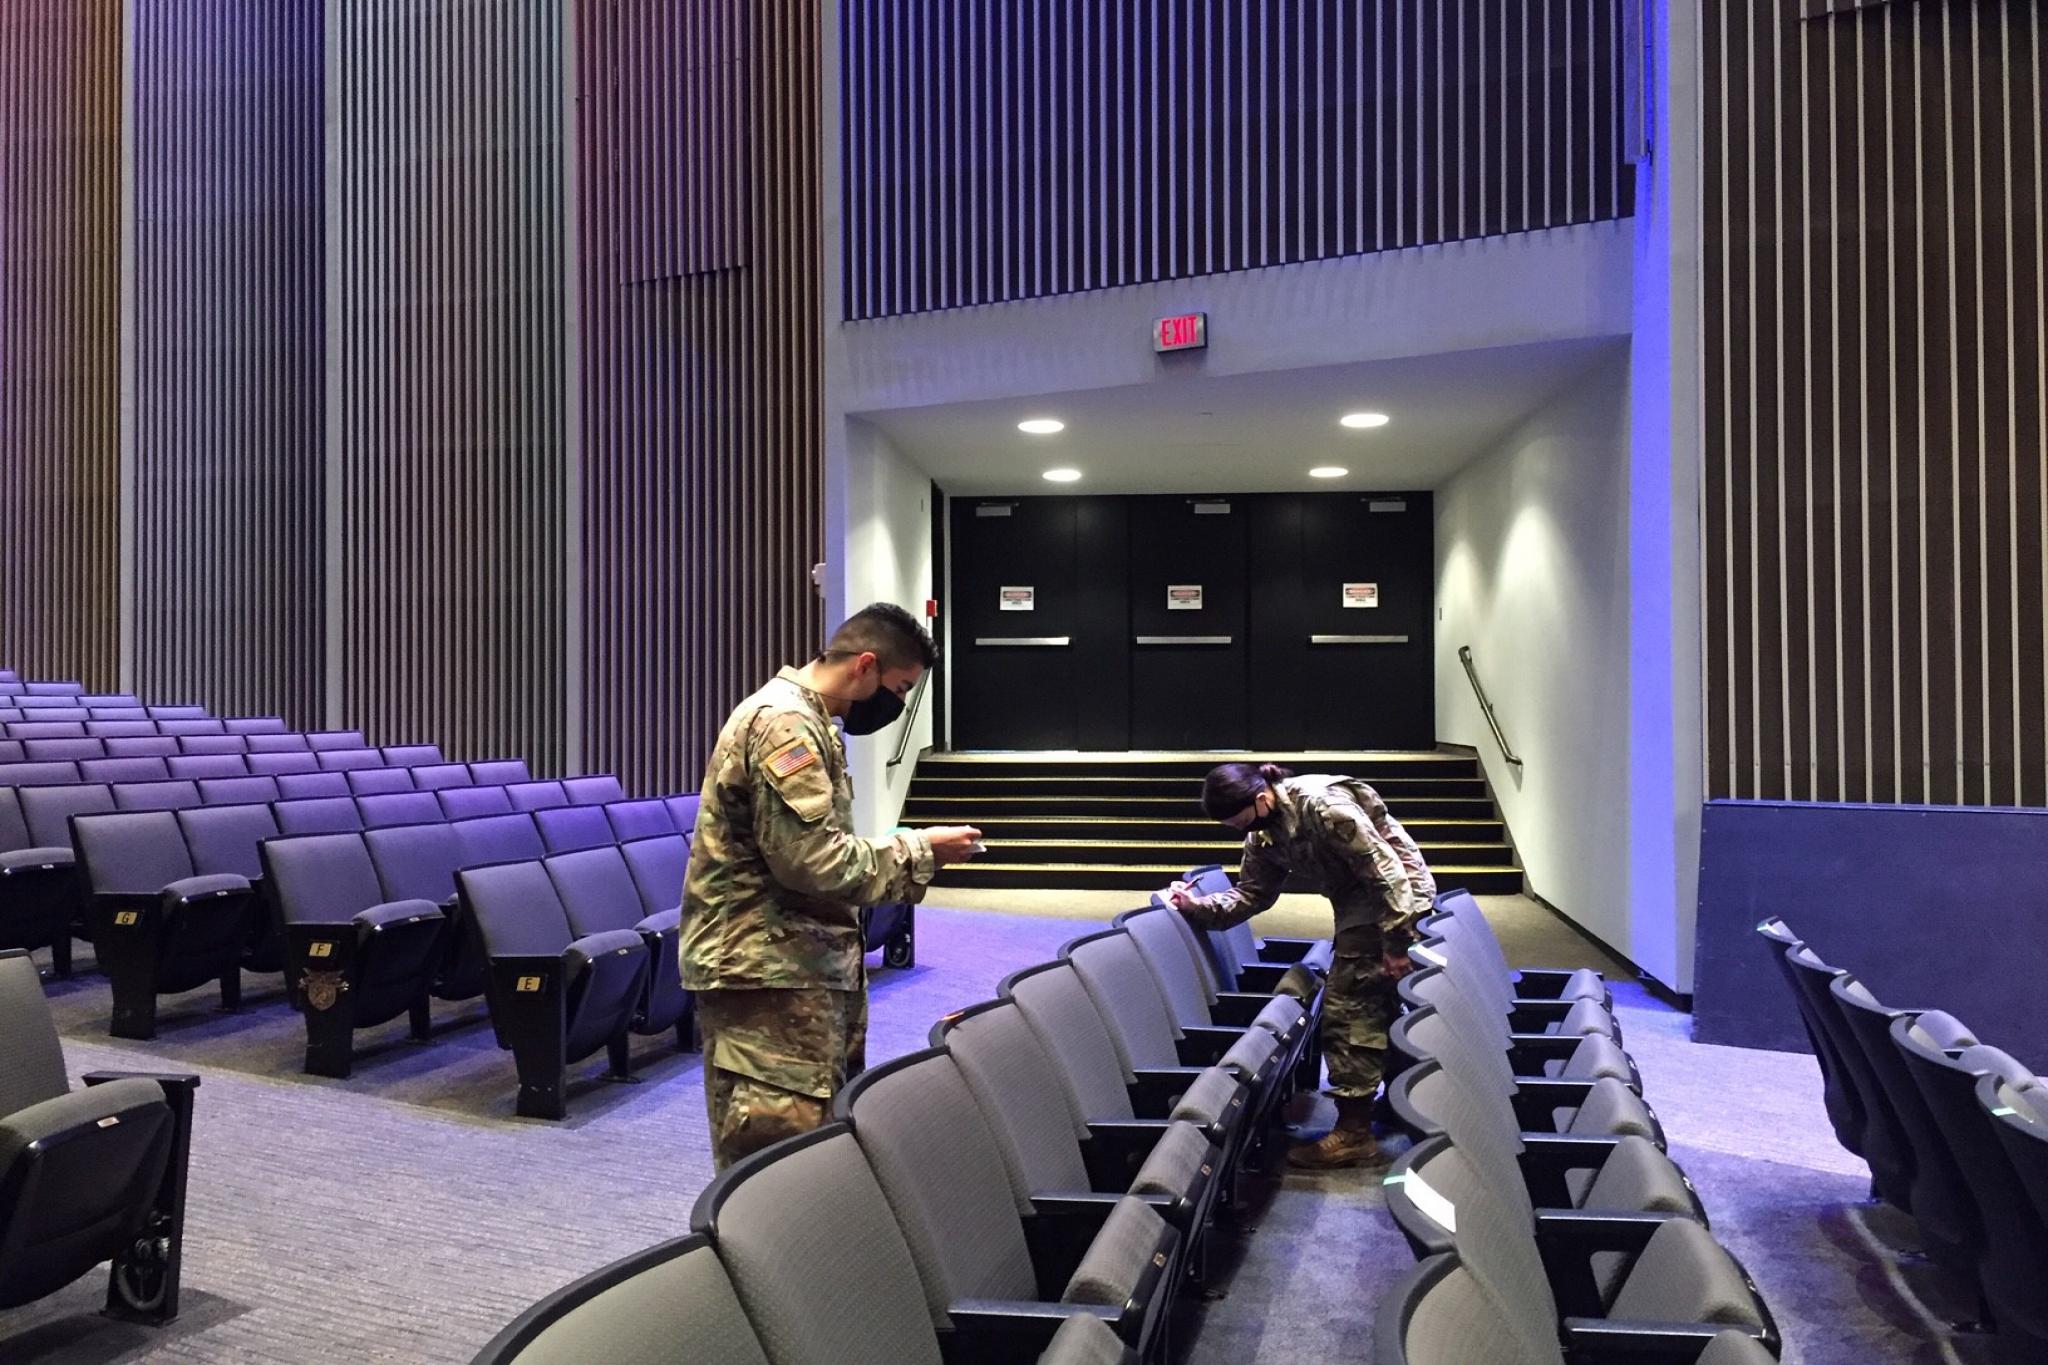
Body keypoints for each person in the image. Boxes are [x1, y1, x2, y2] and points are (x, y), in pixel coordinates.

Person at [681, 603, 983, 1169]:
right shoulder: (784, 725)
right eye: (899, 688)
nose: (897, 704)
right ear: (864, 666)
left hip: (798, 970)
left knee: (815, 1146)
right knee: (778, 1163)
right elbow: (813, 863)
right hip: (768, 979)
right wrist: (920, 850)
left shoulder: (812, 722)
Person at [1165, 762, 1427, 1170]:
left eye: (1238, 820)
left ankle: (1355, 1135)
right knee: (1377, 1004)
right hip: (1359, 901)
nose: (1238, 829)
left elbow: (1386, 873)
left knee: (1347, 1010)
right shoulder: (1263, 832)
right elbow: (1253, 893)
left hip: (1396, 900)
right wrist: (1195, 906)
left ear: (1261, 798)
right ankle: (1395, 1103)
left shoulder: (1323, 807)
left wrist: (1396, 944)